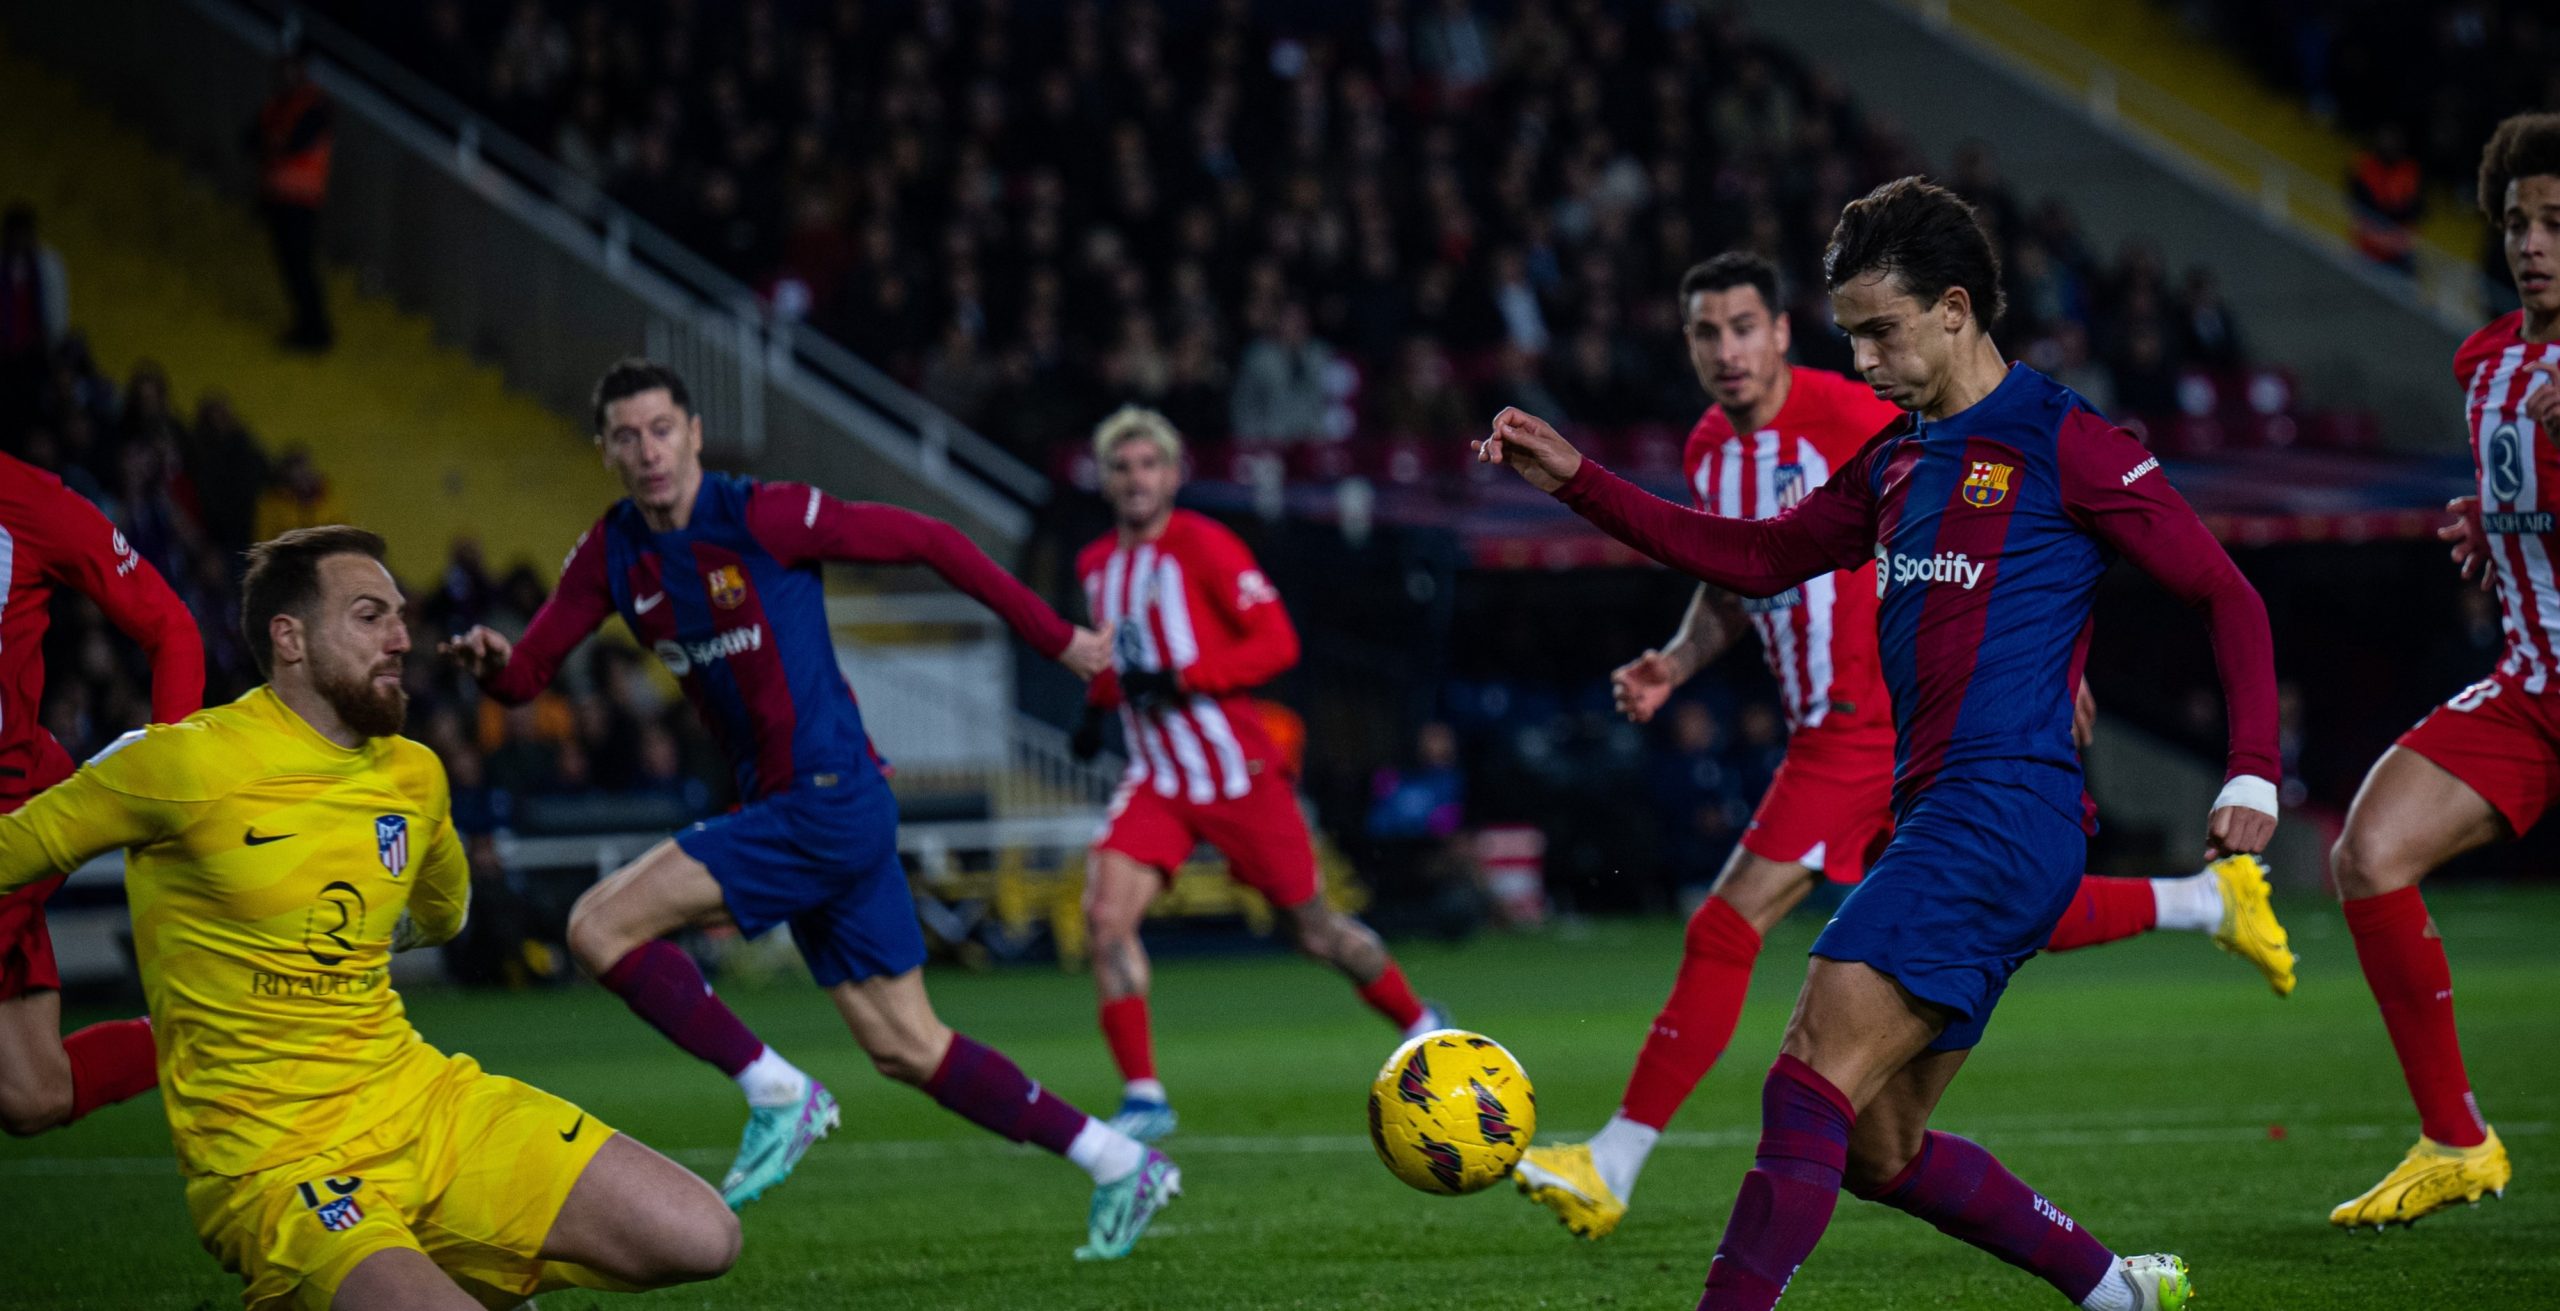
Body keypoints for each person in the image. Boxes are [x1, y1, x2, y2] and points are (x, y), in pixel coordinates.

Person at [1480, 177, 2279, 1311]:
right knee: (1877, 1146)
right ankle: (2116, 1293)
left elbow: (2227, 595)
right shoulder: (1900, 459)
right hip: (1951, 820)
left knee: (1807, 1067)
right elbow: (1752, 559)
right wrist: (1578, 483)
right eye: (1850, 334)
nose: (1859, 362)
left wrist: (2252, 768)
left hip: (2001, 814)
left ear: (1954, 309)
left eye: (1879, 332)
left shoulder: (2067, 439)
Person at [441, 360, 1178, 1259]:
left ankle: (774, 1090)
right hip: (817, 808)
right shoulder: (612, 554)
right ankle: (1116, 1162)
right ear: (604, 449)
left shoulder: (763, 514)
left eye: (663, 428)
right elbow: (528, 675)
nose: (649, 450)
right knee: (909, 1045)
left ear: (695, 433)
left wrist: (1059, 639)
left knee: (598, 926)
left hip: (825, 799)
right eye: (627, 435)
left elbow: (929, 540)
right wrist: (492, 664)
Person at [0, 526, 738, 1308]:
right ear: (290, 638)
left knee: (702, 1234)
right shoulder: (179, 763)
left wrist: (346, 940)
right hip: (277, 1161)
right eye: (368, 615)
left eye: (399, 614)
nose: (400, 637)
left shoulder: (414, 774)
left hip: (423, 1103)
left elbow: (443, 913)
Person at [1071, 405, 1446, 1144]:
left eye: (1150, 464)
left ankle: (1421, 1021)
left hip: (1237, 774)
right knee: (1104, 918)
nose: (1137, 478)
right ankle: (1145, 1096)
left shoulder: (1205, 545)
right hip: (1158, 779)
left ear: (1174, 474)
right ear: (1106, 480)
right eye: (1123, 466)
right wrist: (1094, 710)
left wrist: (1187, 677)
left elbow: (1277, 643)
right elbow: (1123, 663)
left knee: (1315, 931)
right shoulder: (1095, 565)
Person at [2324, 110, 2560, 1230]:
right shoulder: (2486, 361)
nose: (2532, 243)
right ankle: (2455, 1142)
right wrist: (2494, 520)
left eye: (2556, 223)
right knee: (2368, 854)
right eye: (2517, 222)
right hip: (2533, 689)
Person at [0, 450, 203, 1138]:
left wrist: (168, 776)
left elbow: (170, 626)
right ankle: (217, 1027)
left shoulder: (28, 502)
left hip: (18, 816)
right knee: (33, 1091)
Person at [248, 49, 334, 350]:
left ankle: (316, 328)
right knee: (288, 264)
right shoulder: (275, 107)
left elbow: (293, 142)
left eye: (293, 69)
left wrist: (274, 142)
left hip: (302, 200)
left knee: (300, 264)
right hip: (276, 197)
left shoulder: (314, 105)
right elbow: (249, 139)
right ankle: (306, 325)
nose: (287, 76)